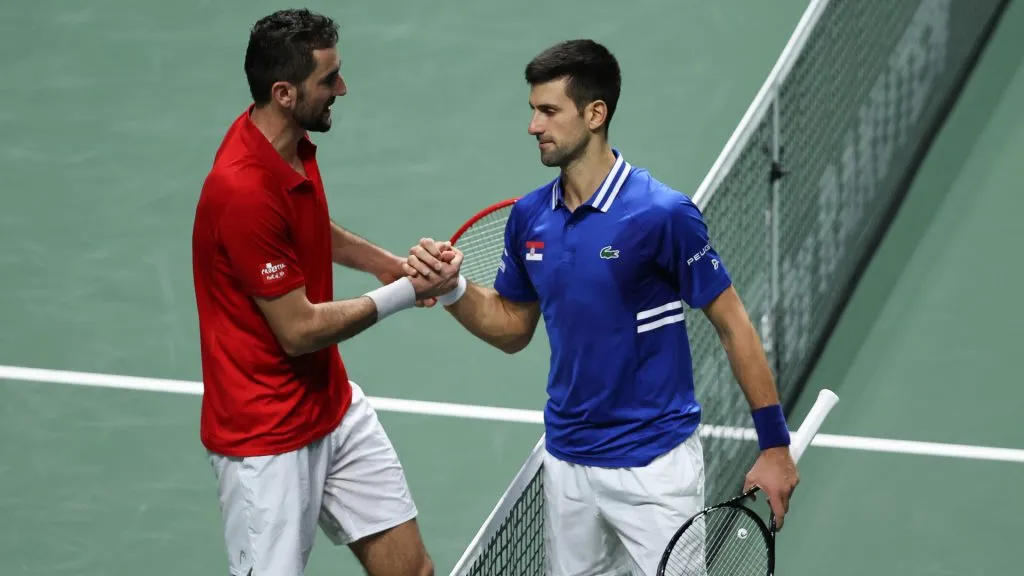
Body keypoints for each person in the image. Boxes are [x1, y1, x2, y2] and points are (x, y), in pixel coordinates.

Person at [405, 39, 799, 576]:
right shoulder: (528, 218)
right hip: (567, 466)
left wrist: (775, 446)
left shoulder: (662, 215)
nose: (533, 126)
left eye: (548, 111)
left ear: (595, 114)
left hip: (654, 467)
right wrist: (453, 290)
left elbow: (733, 325)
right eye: (532, 111)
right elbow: (512, 326)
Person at [191, 9, 457, 576]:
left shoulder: (291, 149)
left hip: (331, 407)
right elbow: (298, 331)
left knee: (412, 571)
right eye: (328, 79)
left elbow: (308, 226)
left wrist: (385, 265)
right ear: (284, 92)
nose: (342, 88)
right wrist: (407, 292)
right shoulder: (241, 188)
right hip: (265, 441)